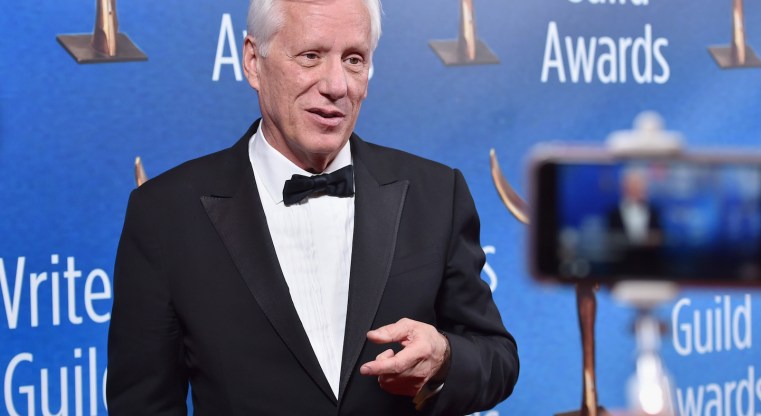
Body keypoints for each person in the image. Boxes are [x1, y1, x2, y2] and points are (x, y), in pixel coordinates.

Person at [107, 0, 519, 414]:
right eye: (310, 56)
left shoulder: (435, 193)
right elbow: (143, 404)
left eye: (354, 59)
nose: (336, 85)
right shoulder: (165, 214)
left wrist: (445, 358)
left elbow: (497, 358)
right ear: (253, 61)